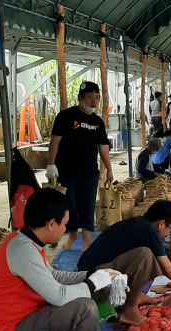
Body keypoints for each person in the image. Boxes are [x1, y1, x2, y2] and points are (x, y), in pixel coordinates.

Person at [0, 188, 117, 331]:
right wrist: (91, 283)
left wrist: (92, 276)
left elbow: (53, 275)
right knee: (85, 309)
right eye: (64, 224)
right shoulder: (22, 250)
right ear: (51, 224)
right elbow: (59, 296)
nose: (65, 230)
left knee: (99, 289)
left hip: (29, 317)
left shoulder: (27, 241)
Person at [78, 200, 171, 324]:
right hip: (93, 283)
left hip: (95, 274)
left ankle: (135, 296)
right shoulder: (148, 231)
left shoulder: (140, 224)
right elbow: (168, 268)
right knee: (145, 256)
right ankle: (129, 309)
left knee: (153, 259)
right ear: (161, 224)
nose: (170, 234)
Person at [45, 81, 113, 254]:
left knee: (88, 207)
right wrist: (51, 164)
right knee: (70, 207)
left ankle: (87, 241)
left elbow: (103, 147)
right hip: (66, 172)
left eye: (97, 98)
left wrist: (109, 169)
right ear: (80, 98)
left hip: (89, 173)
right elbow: (55, 141)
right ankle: (72, 237)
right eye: (90, 97)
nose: (94, 102)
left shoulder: (97, 122)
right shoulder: (65, 116)